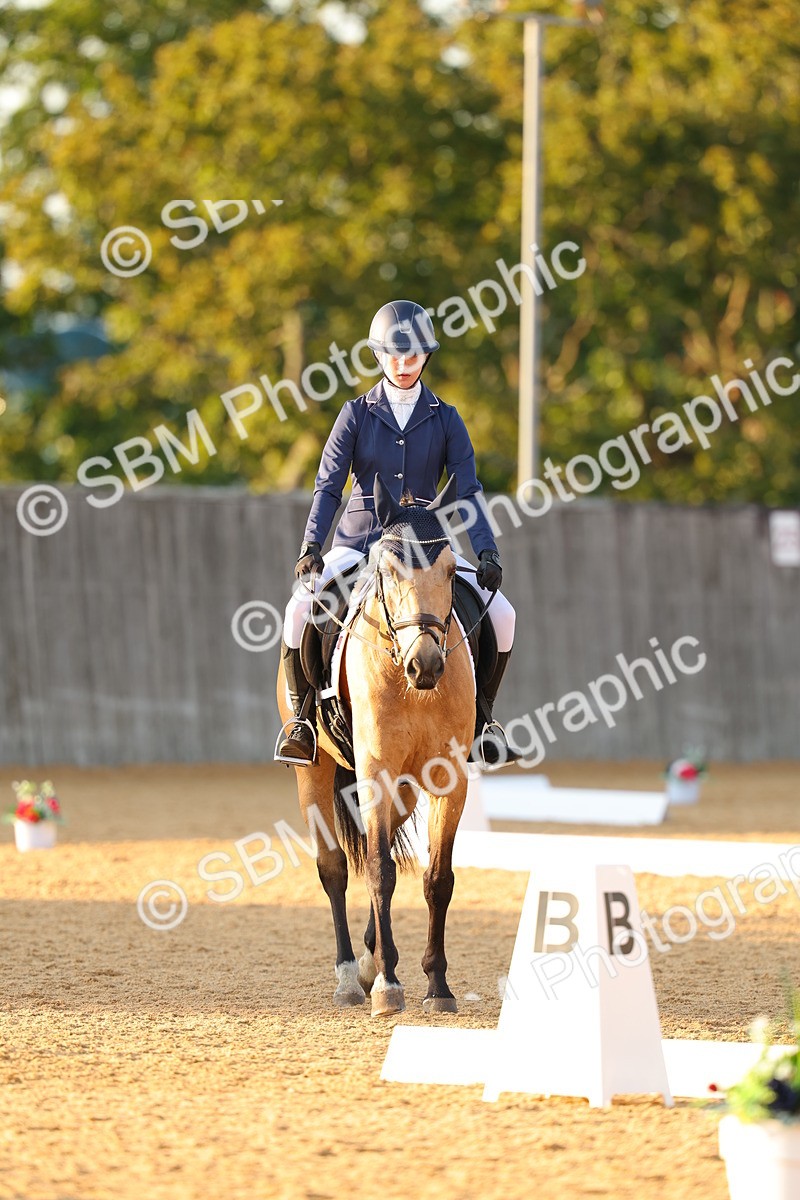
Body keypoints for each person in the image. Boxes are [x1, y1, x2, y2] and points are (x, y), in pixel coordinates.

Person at [277, 299, 517, 765]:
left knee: (504, 615)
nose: (403, 366)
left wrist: (487, 551)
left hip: (426, 545)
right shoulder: (355, 414)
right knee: (299, 607)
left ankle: (484, 720)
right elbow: (329, 485)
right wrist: (311, 545)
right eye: (394, 356)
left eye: (412, 356)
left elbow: (468, 490)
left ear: (426, 356)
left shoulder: (446, 418)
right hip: (361, 541)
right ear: (379, 356)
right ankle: (302, 722)